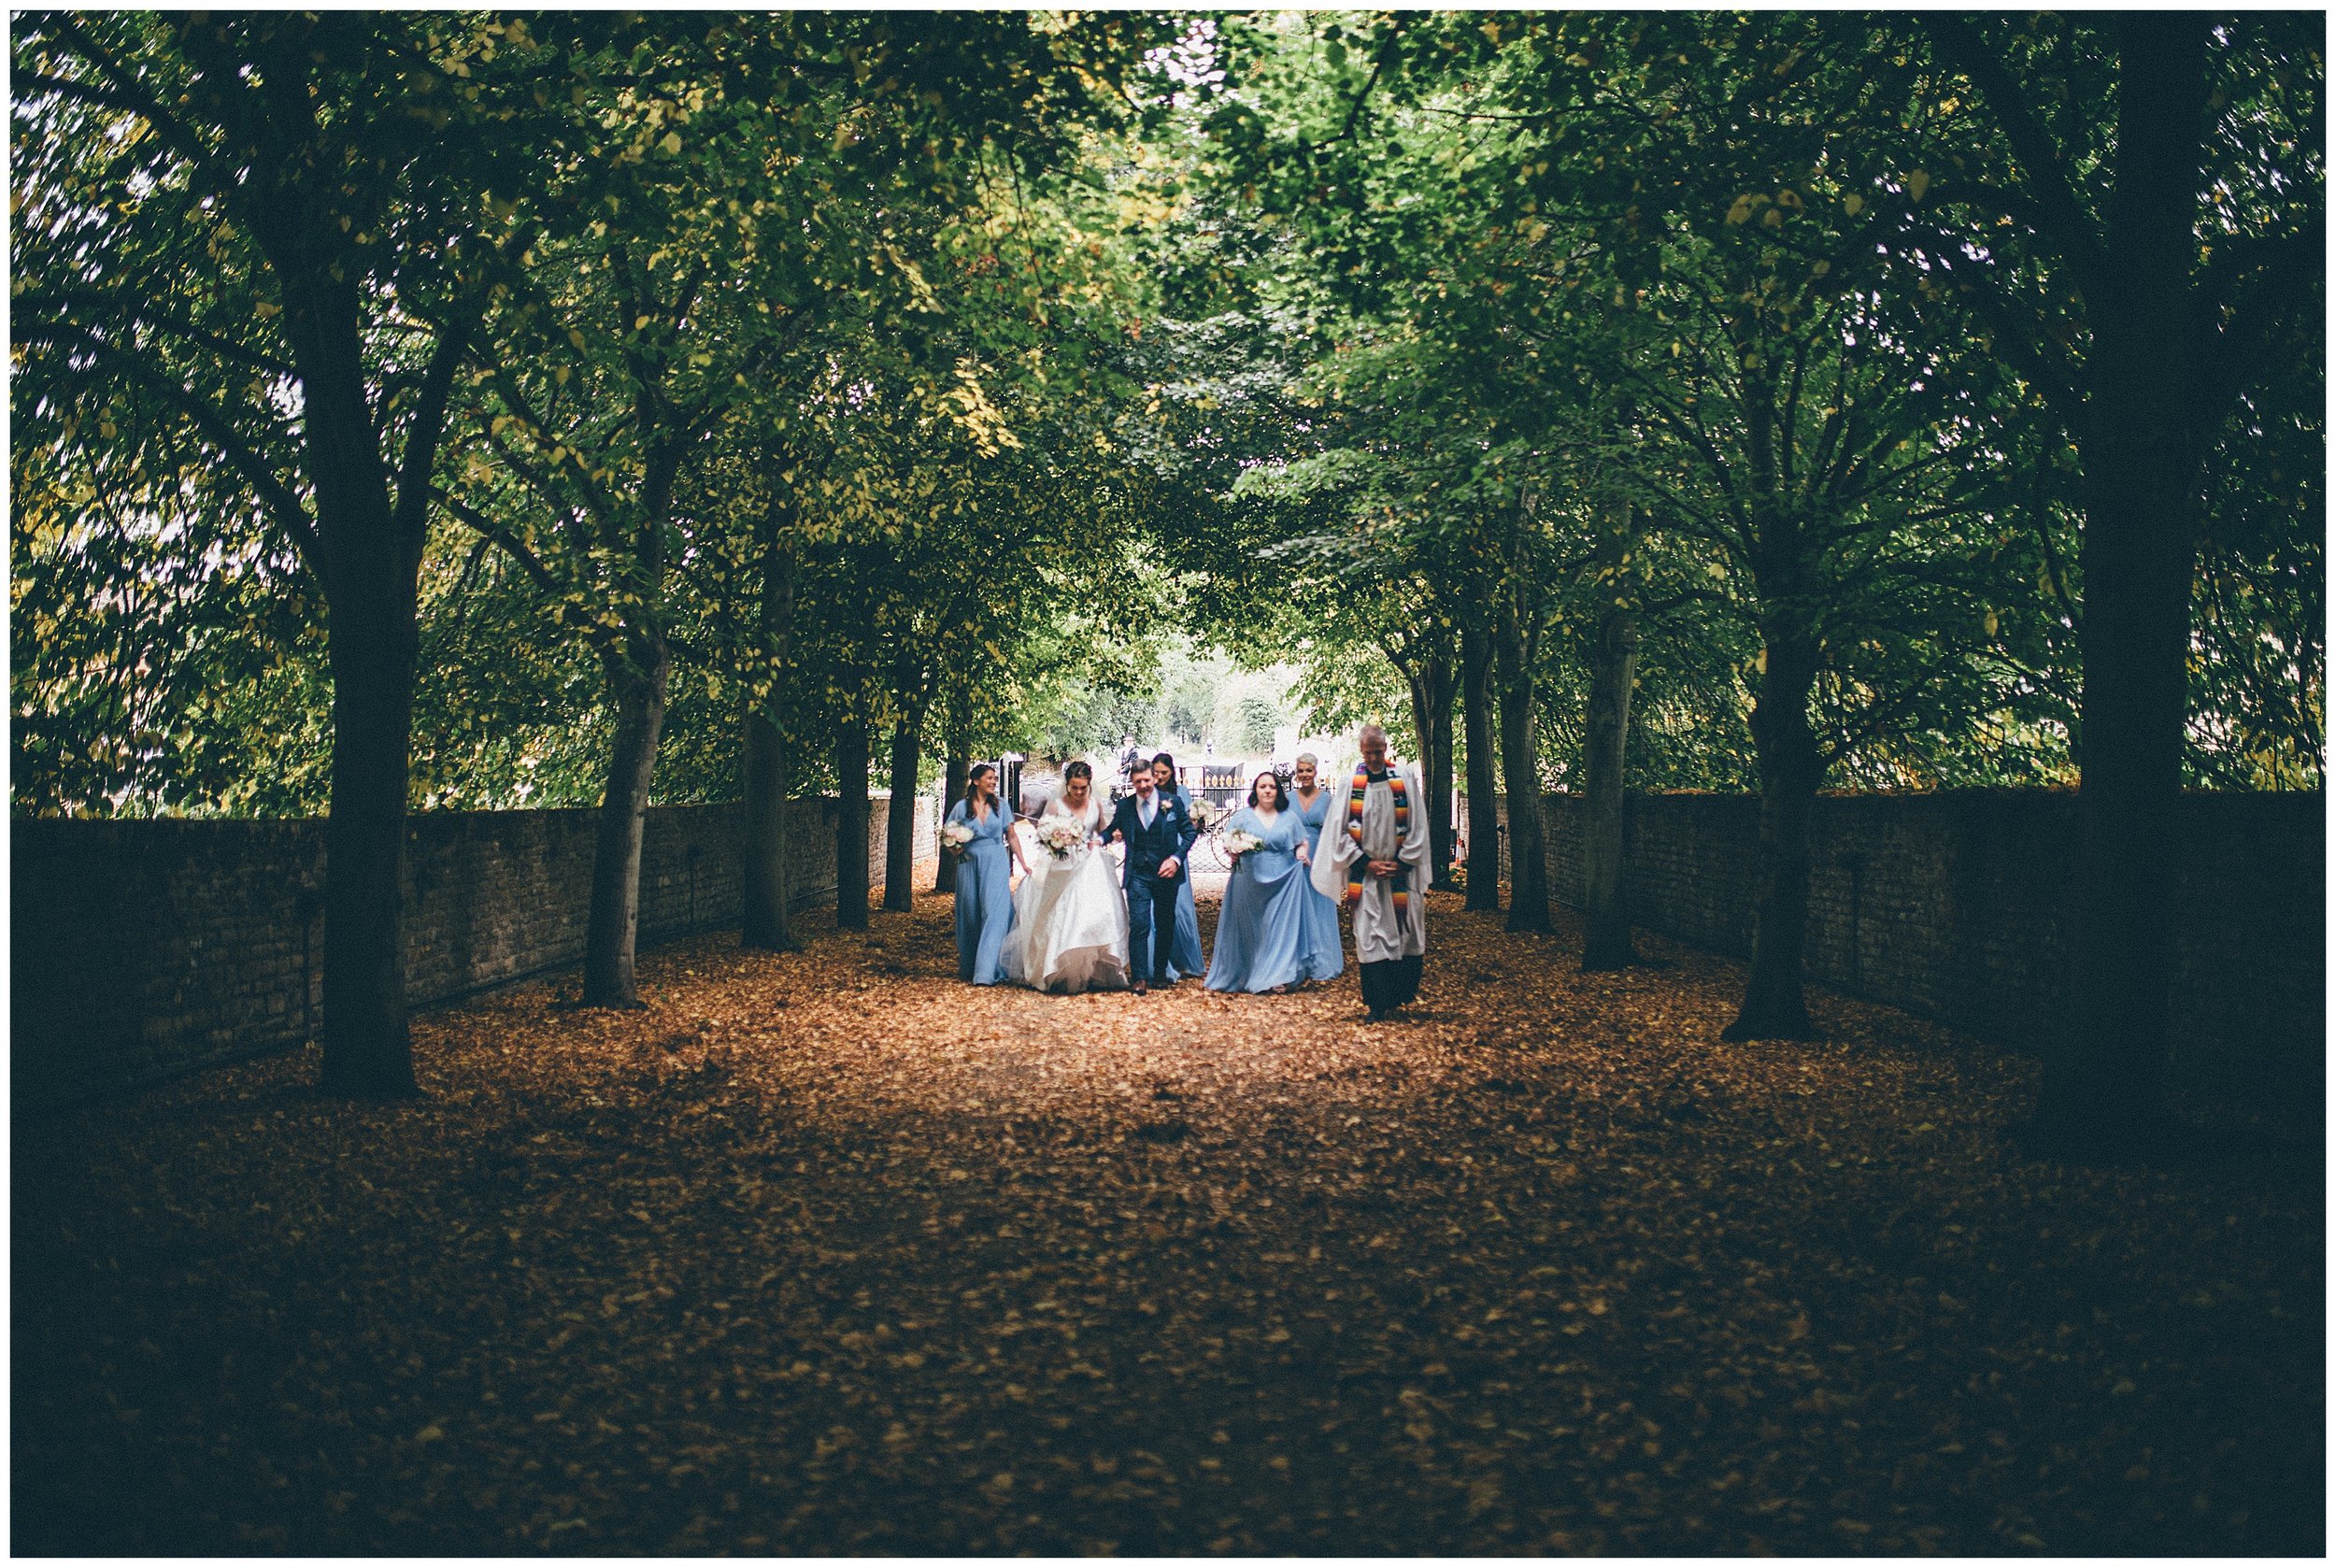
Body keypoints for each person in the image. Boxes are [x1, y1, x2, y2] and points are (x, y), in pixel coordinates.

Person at [1308, 723, 1430, 1020]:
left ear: (1385, 749)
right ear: (1361, 751)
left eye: (1378, 752)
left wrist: (1401, 862)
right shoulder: (1351, 784)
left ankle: (1398, 997)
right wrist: (1366, 863)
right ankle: (1377, 1004)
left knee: (1404, 933)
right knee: (1370, 938)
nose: (1374, 758)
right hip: (1368, 877)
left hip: (1399, 875)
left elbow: (1418, 826)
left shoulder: (1403, 779)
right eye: (1368, 752)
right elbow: (1339, 832)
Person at [1004, 762, 1130, 994]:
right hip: (1061, 865)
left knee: (1089, 915)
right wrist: (1059, 842)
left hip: (1089, 865)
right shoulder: (1055, 805)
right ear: (1067, 785)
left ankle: (1091, 970)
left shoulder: (1095, 804)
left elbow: (1103, 830)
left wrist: (1114, 835)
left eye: (1083, 788)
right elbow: (1043, 837)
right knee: (1059, 915)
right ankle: (1056, 968)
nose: (1079, 792)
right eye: (1075, 788)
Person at [1204, 770, 1315, 994]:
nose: (1267, 791)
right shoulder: (1243, 816)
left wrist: (1301, 854)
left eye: (1272, 787)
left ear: (1278, 791)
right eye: (1262, 786)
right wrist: (1232, 851)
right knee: (1252, 928)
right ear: (1255, 790)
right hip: (1249, 880)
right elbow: (1228, 842)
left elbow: (1301, 842)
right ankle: (1250, 971)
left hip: (1282, 881)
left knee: (1278, 928)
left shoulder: (1289, 817)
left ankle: (1278, 974)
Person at [1107, 758, 1198, 994]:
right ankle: (1139, 977)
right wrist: (1098, 839)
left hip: (1166, 873)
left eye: (1147, 780)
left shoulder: (1173, 803)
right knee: (1139, 923)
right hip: (1138, 873)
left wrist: (1176, 859)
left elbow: (1189, 833)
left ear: (1154, 778)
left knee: (1165, 922)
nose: (1144, 785)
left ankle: (1159, 973)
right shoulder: (1126, 806)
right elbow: (1112, 828)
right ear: (1132, 782)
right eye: (1138, 782)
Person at [944, 763, 1017, 985]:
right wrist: (956, 851)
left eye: (995, 778)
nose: (994, 782)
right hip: (969, 863)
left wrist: (1023, 862)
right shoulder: (961, 807)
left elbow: (1012, 836)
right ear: (976, 781)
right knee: (971, 914)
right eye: (990, 778)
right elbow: (948, 836)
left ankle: (987, 972)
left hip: (995, 861)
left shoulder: (1001, 806)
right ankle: (970, 965)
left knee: (995, 913)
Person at [1288, 751, 1345, 984]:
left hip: (1320, 857)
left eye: (1308, 771)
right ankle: (1298, 961)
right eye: (1301, 771)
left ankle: (1323, 960)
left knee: (1320, 907)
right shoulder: (1288, 799)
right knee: (1297, 908)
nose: (1304, 775)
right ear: (1296, 773)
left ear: (1315, 772)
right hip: (1294, 859)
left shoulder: (1327, 799)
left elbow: (1335, 831)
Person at [1149, 753, 1207, 981]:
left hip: (1176, 858)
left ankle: (1183, 958)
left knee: (1180, 911)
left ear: (1171, 772)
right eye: (1156, 773)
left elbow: (1189, 826)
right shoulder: (1148, 793)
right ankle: (1161, 963)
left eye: (1164, 773)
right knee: (1156, 913)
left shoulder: (1181, 793)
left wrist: (1195, 822)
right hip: (1154, 859)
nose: (1160, 777)